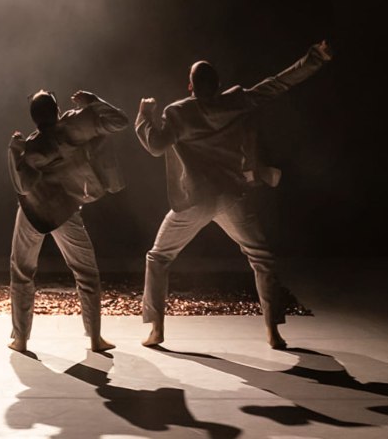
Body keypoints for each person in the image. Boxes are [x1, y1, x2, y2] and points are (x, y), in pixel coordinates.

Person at [136, 40, 333, 349]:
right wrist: (314, 59)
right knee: (262, 258)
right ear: (218, 85)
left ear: (190, 86)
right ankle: (273, 332)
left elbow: (156, 146)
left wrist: (144, 116)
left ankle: (156, 330)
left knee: (158, 257)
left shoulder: (178, 112)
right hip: (231, 197)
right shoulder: (236, 101)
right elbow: (276, 84)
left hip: (195, 201)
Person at [8, 89, 128, 353]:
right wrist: (93, 101)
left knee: (22, 272)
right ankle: (95, 338)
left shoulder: (33, 146)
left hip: (33, 212)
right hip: (64, 210)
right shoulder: (75, 126)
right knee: (86, 272)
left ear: (34, 119)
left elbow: (23, 186)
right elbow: (120, 120)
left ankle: (21, 339)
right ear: (58, 110)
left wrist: (15, 150)